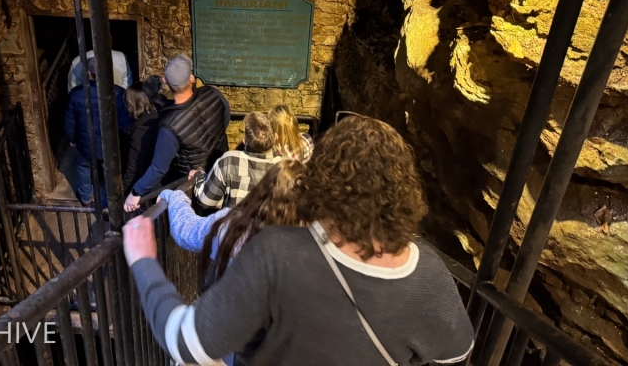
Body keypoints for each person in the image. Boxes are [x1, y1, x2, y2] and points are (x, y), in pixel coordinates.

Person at [123, 115, 475, 366]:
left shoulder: (277, 254)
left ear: (322, 180)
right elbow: (453, 355)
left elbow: (184, 342)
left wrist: (144, 262)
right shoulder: (430, 274)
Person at [158, 159, 305, 283]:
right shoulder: (317, 241)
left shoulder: (232, 226)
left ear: (263, 187)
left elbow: (185, 230)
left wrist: (174, 197)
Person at [124, 54, 230, 212]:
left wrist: (135, 192)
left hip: (196, 184)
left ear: (165, 81)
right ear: (192, 78)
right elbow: (225, 120)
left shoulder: (170, 126)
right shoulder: (212, 93)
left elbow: (158, 168)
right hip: (222, 169)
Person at [64, 57, 131, 206]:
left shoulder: (76, 94)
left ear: (88, 72)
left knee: (83, 167)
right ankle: (108, 205)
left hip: (85, 143)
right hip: (109, 146)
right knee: (109, 173)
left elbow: (70, 121)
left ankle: (86, 197)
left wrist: (72, 138)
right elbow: (125, 122)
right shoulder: (119, 93)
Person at [192, 111, 279, 210]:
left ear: (245, 141)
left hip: (236, 224)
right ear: (275, 137)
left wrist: (198, 175)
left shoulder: (229, 161)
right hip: (271, 224)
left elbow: (206, 201)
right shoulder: (286, 167)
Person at [122, 83, 161, 195]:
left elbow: (134, 167)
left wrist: (123, 191)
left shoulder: (139, 133)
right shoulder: (160, 111)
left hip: (149, 183)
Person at [67, 38, 132, 91]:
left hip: (85, 105)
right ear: (110, 40)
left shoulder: (77, 61)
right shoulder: (121, 57)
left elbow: (72, 90)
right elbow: (127, 88)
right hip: (115, 103)